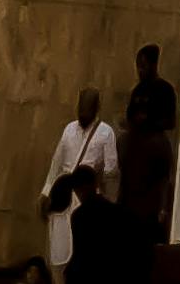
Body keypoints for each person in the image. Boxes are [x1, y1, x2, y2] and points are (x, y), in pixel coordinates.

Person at [43, 84, 116, 277]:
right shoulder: (68, 129)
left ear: (96, 108)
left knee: (82, 251)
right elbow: (56, 163)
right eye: (81, 107)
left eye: (88, 108)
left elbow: (111, 171)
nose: (83, 112)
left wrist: (107, 200)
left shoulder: (106, 132)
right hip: (63, 196)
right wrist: (45, 192)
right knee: (58, 251)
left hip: (87, 198)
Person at [120, 41, 180, 249]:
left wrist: (149, 122)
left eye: (143, 65)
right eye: (138, 65)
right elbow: (129, 117)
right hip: (136, 151)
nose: (140, 70)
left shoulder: (164, 90)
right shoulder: (137, 91)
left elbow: (170, 122)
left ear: (154, 65)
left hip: (154, 148)